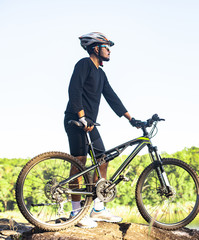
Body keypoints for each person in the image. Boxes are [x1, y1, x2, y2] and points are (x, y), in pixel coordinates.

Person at [64, 32, 140, 228]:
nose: (109, 51)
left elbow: (112, 97)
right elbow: (74, 90)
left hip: (89, 124)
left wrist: (131, 119)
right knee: (79, 164)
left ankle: (98, 208)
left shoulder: (101, 73)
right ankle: (75, 212)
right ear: (96, 48)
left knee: (102, 160)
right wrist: (80, 116)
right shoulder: (84, 64)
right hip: (76, 120)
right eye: (107, 47)